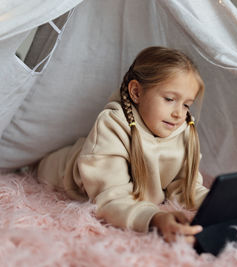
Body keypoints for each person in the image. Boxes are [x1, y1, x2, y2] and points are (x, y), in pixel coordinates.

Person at [37, 46, 209, 244]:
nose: (179, 113)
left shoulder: (183, 130)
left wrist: (219, 201)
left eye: (186, 104)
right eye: (170, 99)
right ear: (136, 92)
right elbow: (111, 198)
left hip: (97, 154)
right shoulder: (112, 124)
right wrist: (153, 218)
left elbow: (185, 187)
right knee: (41, 165)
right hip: (61, 168)